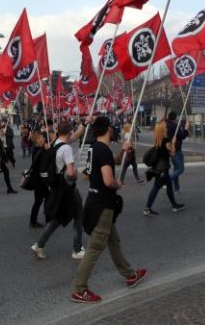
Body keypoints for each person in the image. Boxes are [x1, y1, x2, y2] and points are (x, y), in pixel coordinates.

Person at [70, 116, 146, 303]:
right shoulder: (102, 150)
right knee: (95, 247)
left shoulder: (94, 148)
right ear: (108, 129)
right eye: (111, 127)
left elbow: (89, 173)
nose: (113, 129)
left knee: (114, 241)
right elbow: (108, 181)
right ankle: (80, 289)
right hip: (103, 204)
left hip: (95, 201)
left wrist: (123, 153)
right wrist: (117, 184)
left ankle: (130, 274)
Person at [31, 120, 88, 261]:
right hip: (68, 187)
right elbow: (71, 173)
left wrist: (84, 124)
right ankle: (77, 249)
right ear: (69, 132)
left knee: (58, 218)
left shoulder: (56, 143)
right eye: (72, 130)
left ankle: (39, 244)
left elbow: (76, 135)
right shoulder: (66, 148)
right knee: (79, 214)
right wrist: (75, 174)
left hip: (59, 187)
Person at [144, 120, 184, 215]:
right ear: (162, 130)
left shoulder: (158, 141)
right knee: (156, 188)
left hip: (159, 168)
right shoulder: (166, 141)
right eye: (165, 126)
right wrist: (173, 143)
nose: (166, 127)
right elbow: (173, 153)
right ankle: (147, 208)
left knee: (169, 186)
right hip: (162, 170)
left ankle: (174, 205)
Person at [27, 132, 50, 228]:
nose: (44, 138)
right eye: (41, 137)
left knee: (43, 199)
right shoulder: (40, 151)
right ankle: (37, 220)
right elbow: (44, 163)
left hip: (38, 179)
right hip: (39, 180)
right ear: (37, 140)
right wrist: (47, 151)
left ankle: (41, 219)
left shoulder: (37, 149)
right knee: (41, 200)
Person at [166, 111, 189, 192]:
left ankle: (176, 188)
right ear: (175, 118)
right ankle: (167, 180)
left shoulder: (166, 125)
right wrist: (186, 129)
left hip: (170, 149)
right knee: (180, 169)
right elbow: (182, 136)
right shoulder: (175, 126)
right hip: (176, 150)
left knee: (176, 169)